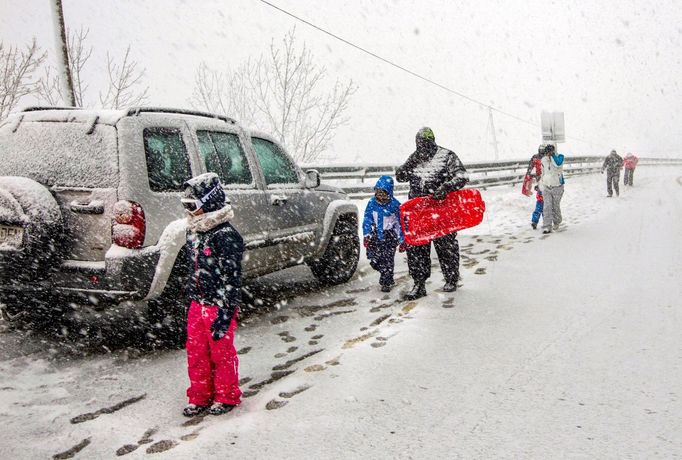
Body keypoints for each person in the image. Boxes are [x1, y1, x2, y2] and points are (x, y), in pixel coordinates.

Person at [181, 173, 244, 417]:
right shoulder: (194, 231)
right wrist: (191, 296)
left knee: (221, 353)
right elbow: (192, 269)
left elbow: (232, 277)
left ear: (209, 202)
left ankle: (226, 395)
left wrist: (227, 310)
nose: (189, 211)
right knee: (196, 351)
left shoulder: (226, 236)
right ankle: (199, 395)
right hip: (198, 303)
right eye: (185, 206)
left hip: (219, 305)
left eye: (192, 206)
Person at [396, 127, 469, 299]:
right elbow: (400, 176)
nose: (422, 147)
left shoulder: (446, 156)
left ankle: (451, 278)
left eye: (425, 143)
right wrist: (404, 168)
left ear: (432, 141)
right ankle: (419, 284)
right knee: (416, 248)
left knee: (446, 245)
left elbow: (461, 176)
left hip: (441, 209)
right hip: (418, 211)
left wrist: (445, 188)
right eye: (419, 144)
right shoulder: (415, 158)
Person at [363, 175, 406, 292]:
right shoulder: (372, 203)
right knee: (373, 259)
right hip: (376, 234)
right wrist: (367, 234)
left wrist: (402, 239)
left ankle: (387, 281)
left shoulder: (395, 205)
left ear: (389, 193)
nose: (380, 197)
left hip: (389, 236)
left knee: (387, 259)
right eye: (378, 193)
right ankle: (383, 270)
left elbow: (400, 223)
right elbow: (367, 218)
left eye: (384, 194)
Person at [539, 144, 565, 234]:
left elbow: (558, 164)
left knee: (555, 206)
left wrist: (553, 155)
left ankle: (557, 222)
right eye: (547, 153)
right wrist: (541, 183)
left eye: (550, 152)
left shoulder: (560, 157)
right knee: (547, 206)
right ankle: (547, 226)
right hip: (547, 186)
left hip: (557, 186)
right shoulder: (543, 160)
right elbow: (543, 172)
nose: (548, 155)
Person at [526, 145, 544, 229]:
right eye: (541, 150)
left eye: (543, 150)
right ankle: (535, 221)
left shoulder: (548, 158)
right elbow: (530, 166)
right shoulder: (536, 157)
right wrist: (529, 175)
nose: (542, 151)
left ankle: (545, 221)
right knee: (541, 201)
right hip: (541, 181)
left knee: (545, 202)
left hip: (546, 181)